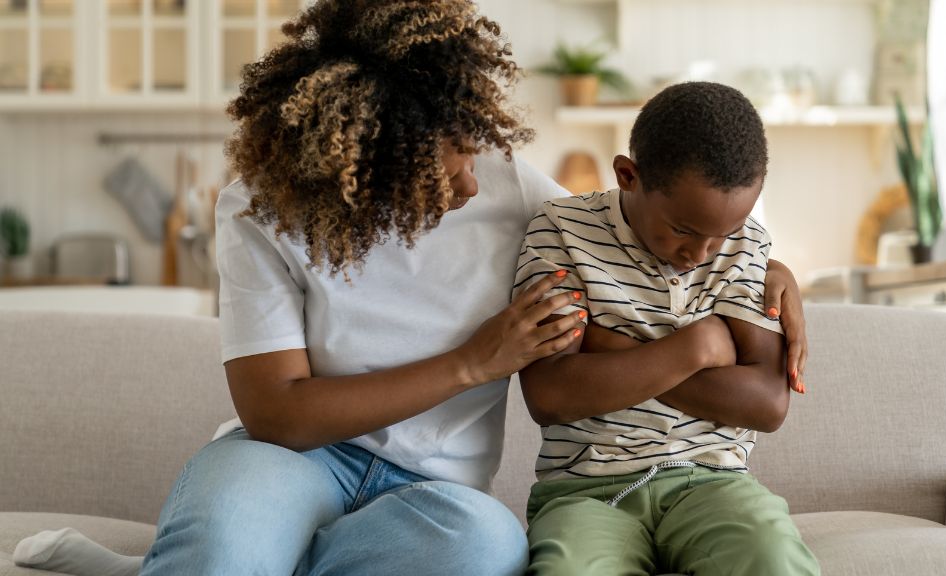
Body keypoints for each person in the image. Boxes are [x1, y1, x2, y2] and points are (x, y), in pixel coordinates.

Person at [11, 3, 809, 576]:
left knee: (487, 549)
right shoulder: (263, 211)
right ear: (368, 157)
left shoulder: (510, 188)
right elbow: (277, 412)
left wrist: (767, 272)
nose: (473, 179)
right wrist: (471, 364)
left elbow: (631, 233)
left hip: (435, 489)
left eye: (474, 147)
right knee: (224, 551)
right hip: (293, 461)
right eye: (446, 161)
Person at [514, 81, 820, 575]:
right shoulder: (562, 231)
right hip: (585, 490)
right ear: (628, 175)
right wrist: (696, 347)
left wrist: (610, 347)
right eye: (682, 230)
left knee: (773, 557)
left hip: (715, 485)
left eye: (721, 235)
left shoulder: (747, 246)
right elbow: (550, 394)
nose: (700, 255)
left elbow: (766, 404)